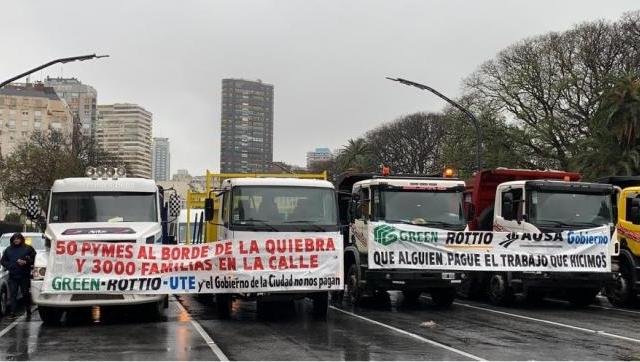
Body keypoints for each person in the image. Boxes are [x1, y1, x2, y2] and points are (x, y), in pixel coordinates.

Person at [1, 233, 36, 317]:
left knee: (25, 293)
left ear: (21, 239)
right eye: (14, 239)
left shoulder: (28, 248)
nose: (16, 240)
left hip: (24, 275)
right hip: (13, 276)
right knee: (13, 294)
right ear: (12, 240)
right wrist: (9, 266)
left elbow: (34, 258)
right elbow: (3, 261)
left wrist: (26, 262)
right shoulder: (8, 250)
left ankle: (28, 310)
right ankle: (12, 312)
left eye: (18, 238)